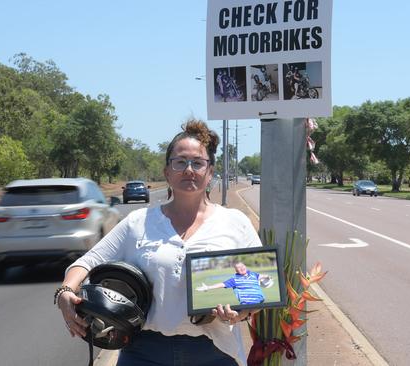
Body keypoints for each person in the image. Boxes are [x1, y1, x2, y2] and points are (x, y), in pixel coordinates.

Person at [56, 119, 262, 366]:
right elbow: (88, 262)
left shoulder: (234, 222)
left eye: (198, 163)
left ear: (210, 172)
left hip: (214, 351)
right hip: (143, 352)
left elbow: (259, 289)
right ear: (167, 172)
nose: (188, 169)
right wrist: (65, 292)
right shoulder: (138, 222)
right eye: (180, 162)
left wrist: (239, 313)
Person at [195, 262, 271, 305]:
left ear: (245, 266)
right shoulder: (234, 280)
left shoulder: (253, 274)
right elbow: (222, 284)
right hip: (247, 304)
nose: (241, 267)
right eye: (238, 267)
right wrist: (207, 287)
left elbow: (262, 276)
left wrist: (267, 277)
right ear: (236, 271)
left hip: (261, 302)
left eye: (242, 265)